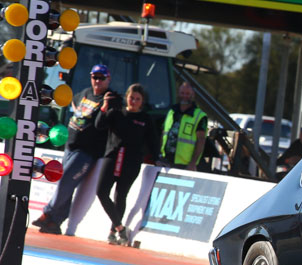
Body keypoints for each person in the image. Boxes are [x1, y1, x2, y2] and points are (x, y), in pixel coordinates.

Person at [31, 64, 112, 235]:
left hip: (87, 151)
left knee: (65, 180)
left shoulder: (109, 99)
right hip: (71, 145)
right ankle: (54, 222)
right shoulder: (85, 93)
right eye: (95, 77)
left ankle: (48, 213)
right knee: (66, 185)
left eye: (101, 78)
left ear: (108, 79)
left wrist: (105, 107)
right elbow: (74, 104)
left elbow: (104, 123)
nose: (97, 81)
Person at [95, 83, 158, 245]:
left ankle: (112, 232)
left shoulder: (145, 119)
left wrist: (158, 159)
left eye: (137, 99)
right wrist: (104, 106)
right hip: (112, 157)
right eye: (131, 98)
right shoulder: (117, 113)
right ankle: (120, 227)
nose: (134, 101)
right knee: (101, 191)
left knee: (121, 195)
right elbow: (99, 125)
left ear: (142, 101)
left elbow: (152, 141)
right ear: (126, 98)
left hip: (131, 162)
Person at [159, 82, 208, 170]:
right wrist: (159, 155)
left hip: (184, 164)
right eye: (182, 93)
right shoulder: (171, 112)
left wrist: (193, 163)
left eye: (187, 93)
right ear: (178, 93)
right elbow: (163, 133)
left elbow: (201, 140)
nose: (184, 96)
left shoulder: (199, 116)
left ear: (193, 95)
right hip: (166, 160)